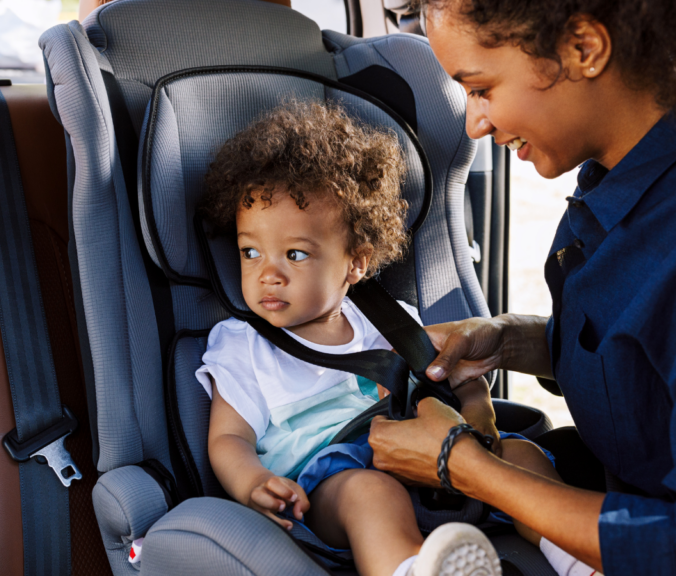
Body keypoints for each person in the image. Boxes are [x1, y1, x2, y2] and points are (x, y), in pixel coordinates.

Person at [367, 1, 676, 575]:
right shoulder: (626, 169)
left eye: (481, 88)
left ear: (583, 49)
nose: (475, 123)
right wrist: (509, 340)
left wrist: (461, 464)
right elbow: (648, 362)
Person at [196, 100, 559, 576]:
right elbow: (227, 437)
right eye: (250, 252)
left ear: (356, 262)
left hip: (432, 455)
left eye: (296, 255)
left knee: (522, 456)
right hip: (329, 482)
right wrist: (254, 483)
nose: (269, 274)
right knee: (373, 494)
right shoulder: (243, 344)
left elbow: (457, 375)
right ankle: (411, 569)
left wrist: (478, 417)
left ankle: (580, 561)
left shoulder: (392, 321)